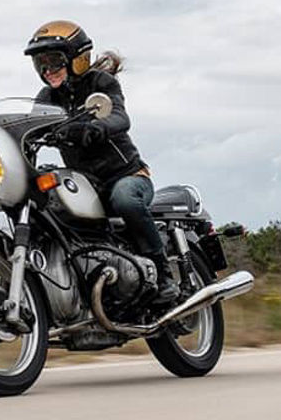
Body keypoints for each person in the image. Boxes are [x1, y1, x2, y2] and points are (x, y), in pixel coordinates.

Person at [23, 20, 178, 303]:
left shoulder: (101, 83)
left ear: (77, 59)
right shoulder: (47, 98)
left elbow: (120, 116)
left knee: (125, 200)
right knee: (47, 207)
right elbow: (31, 126)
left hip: (127, 176)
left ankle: (163, 272)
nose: (48, 70)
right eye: (41, 64)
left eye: (54, 61)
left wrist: (98, 127)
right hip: (87, 184)